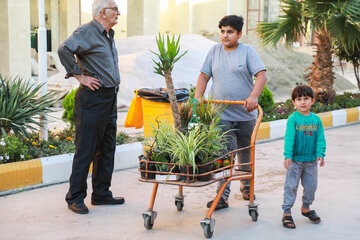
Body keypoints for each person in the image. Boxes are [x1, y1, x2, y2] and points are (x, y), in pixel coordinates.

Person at [58, 0, 124, 214]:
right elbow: (64, 49)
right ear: (103, 12)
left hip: (110, 98)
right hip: (93, 99)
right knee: (86, 149)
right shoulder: (87, 31)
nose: (118, 13)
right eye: (115, 9)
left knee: (107, 148)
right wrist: (79, 76)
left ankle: (101, 193)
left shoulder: (107, 34)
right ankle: (75, 197)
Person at [194, 15, 267, 209]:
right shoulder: (214, 51)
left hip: (245, 115)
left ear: (239, 34)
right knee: (224, 155)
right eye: (223, 32)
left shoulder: (247, 52)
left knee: (244, 154)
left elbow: (261, 75)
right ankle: (222, 196)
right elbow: (203, 76)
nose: (225, 36)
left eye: (230, 32)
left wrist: (253, 97)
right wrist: (198, 96)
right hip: (222, 115)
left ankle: (246, 186)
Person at [282, 85, 326, 229]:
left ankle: (306, 208)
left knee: (311, 187)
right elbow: (289, 139)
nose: (302, 102)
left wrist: (320, 153)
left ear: (312, 101)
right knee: (291, 186)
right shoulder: (293, 119)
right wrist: (288, 156)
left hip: (311, 162)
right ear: (293, 102)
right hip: (295, 161)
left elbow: (320, 138)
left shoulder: (316, 120)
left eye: (306, 99)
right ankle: (287, 212)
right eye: (299, 99)